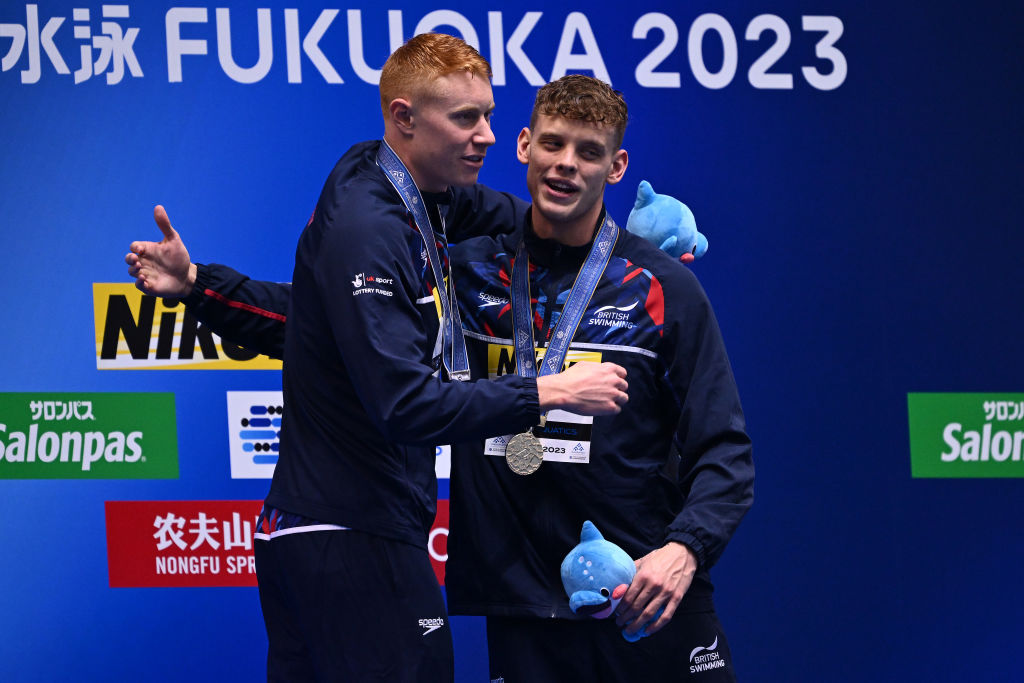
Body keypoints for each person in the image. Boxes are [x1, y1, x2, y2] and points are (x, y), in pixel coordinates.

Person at [129, 73, 751, 680]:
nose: (566, 165)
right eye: (553, 144)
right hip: (522, 601)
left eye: (589, 153)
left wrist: (686, 550)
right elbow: (336, 328)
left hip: (648, 594)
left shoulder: (663, 287)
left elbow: (723, 448)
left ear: (615, 169)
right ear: (524, 146)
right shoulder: (467, 273)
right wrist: (199, 287)